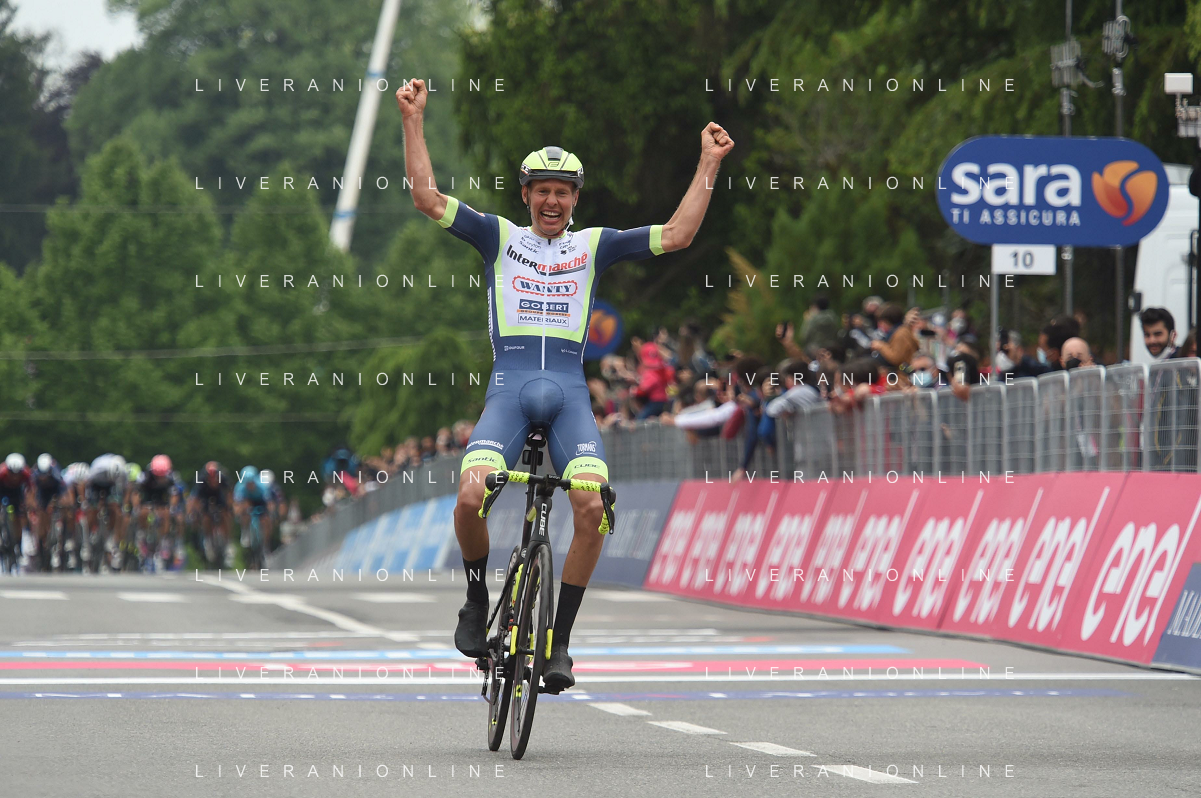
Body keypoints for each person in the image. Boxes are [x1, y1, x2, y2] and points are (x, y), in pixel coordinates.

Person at [396, 78, 734, 692]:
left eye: (563, 192)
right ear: (526, 195)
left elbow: (678, 234)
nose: (552, 201)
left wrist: (709, 162)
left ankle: (559, 642)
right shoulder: (498, 236)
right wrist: (412, 120)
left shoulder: (595, 245)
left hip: (569, 395)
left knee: (591, 509)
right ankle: (476, 600)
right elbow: (426, 196)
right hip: (510, 388)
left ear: (576, 199)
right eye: (542, 191)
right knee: (469, 499)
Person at [136, 454, 185, 570]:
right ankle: (143, 534)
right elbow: (136, 493)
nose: (159, 479)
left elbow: (174, 495)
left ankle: (163, 540)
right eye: (157, 476)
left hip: (163, 498)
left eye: (161, 476)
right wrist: (137, 507)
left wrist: (172, 508)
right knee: (143, 512)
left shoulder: (172, 477)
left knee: (167, 513)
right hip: (149, 496)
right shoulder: (145, 476)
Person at [85, 453, 128, 570]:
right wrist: (88, 502)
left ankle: (111, 538)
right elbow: (87, 485)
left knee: (115, 509)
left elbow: (126, 490)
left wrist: (124, 505)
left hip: (112, 486)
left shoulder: (123, 473)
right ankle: (90, 534)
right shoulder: (97, 470)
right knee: (93, 508)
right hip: (96, 484)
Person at [188, 461, 232, 567]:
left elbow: (229, 494)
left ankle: (227, 543)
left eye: (215, 478)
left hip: (219, 495)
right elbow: (195, 499)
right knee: (205, 516)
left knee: (225, 514)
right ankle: (208, 539)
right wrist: (193, 512)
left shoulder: (223, 478)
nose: (213, 480)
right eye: (210, 478)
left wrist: (230, 508)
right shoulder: (201, 480)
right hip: (205, 497)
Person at [32, 454, 66, 570]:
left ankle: (61, 537)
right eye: (42, 475)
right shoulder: (34, 474)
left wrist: (60, 503)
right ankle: (41, 538)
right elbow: (32, 492)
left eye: (45, 475)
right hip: (42, 494)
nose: (43, 478)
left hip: (54, 492)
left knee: (63, 507)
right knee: (41, 512)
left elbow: (63, 491)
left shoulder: (56, 473)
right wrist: (34, 504)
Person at [0, 453, 33, 567]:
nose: (14, 477)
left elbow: (31, 490)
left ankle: (19, 543)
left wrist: (28, 503)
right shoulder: (1, 473)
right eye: (11, 474)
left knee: (20, 515)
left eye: (17, 474)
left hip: (17, 493)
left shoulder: (26, 474)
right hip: (3, 491)